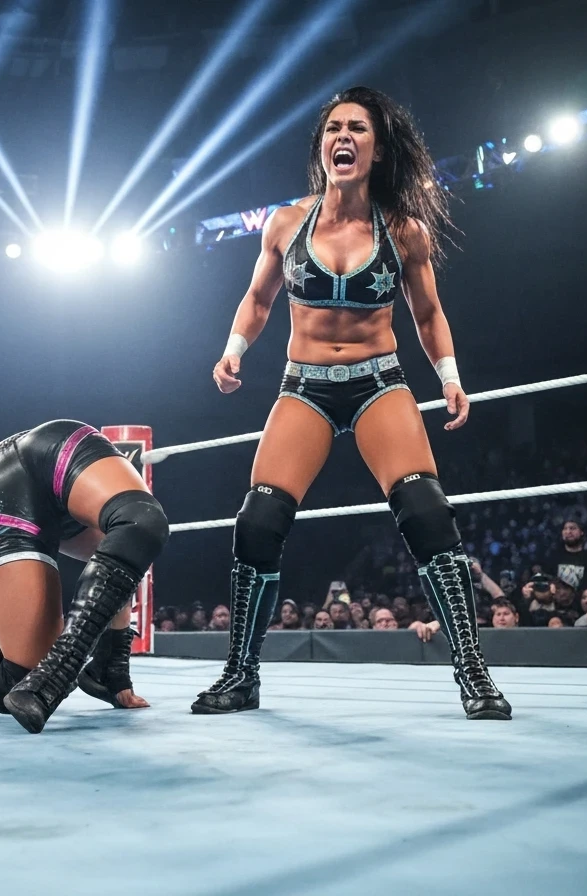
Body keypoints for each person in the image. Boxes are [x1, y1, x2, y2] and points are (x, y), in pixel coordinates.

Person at [193, 86, 509, 720]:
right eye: (333, 127)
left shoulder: (403, 231)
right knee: (257, 522)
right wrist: (233, 350)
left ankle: (472, 670)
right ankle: (241, 674)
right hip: (303, 384)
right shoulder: (287, 223)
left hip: (378, 381)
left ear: (377, 148)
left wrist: (448, 375)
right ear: (322, 146)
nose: (343, 136)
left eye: (357, 128)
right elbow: (259, 301)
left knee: (426, 511)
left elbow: (427, 310)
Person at [0, 420, 169, 734]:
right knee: (20, 680)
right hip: (8, 487)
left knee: (138, 527)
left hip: (56, 457)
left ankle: (93, 668)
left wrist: (109, 668)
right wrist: (8, 650)